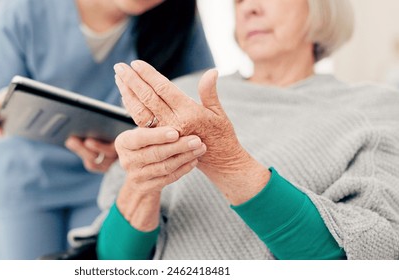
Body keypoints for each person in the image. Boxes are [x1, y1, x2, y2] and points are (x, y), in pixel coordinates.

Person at [75, 0, 399, 259]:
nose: (248, 8)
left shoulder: (374, 108)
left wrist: (226, 162)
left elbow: (369, 254)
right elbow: (111, 261)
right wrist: (140, 186)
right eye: (240, 0)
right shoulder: (181, 94)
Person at [0, 0, 214, 259]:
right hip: (24, 177)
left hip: (103, 179)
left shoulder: (179, 16)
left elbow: (196, 99)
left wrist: (130, 147)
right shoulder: (23, 7)